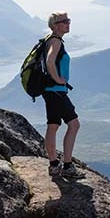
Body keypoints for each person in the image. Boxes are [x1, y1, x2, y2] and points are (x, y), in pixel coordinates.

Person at [42, 11, 83, 179]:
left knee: (53, 125)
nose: (68, 23)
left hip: (49, 91)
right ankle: (67, 166)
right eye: (65, 21)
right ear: (56, 25)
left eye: (68, 20)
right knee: (74, 125)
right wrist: (58, 79)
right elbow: (50, 61)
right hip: (56, 91)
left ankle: (53, 165)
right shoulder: (56, 42)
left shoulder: (48, 40)